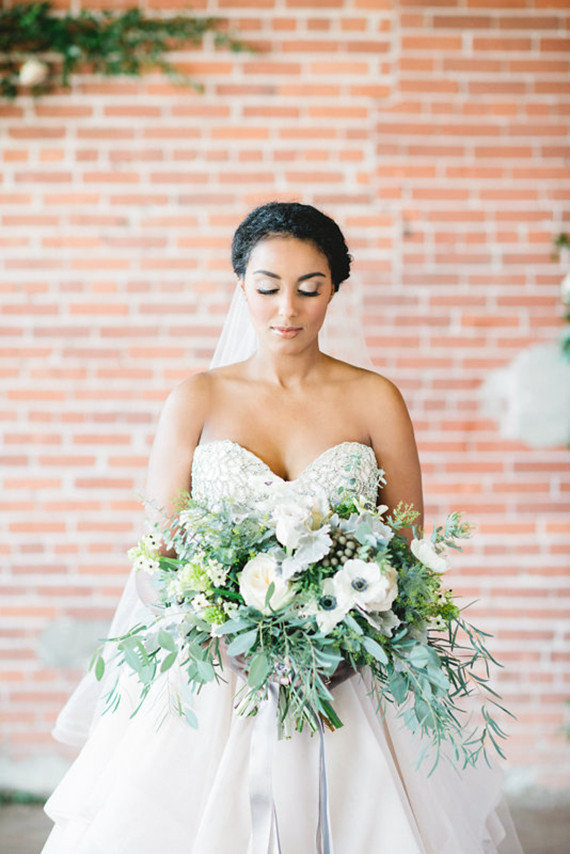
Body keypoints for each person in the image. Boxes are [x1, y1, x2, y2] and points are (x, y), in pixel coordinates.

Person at [42, 202, 523, 853]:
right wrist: (225, 628)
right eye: (267, 287)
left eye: (309, 288)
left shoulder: (375, 398)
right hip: (216, 677)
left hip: (350, 672)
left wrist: (357, 629)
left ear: (335, 289)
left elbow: (407, 547)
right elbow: (159, 553)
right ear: (241, 285)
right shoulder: (197, 399)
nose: (286, 310)